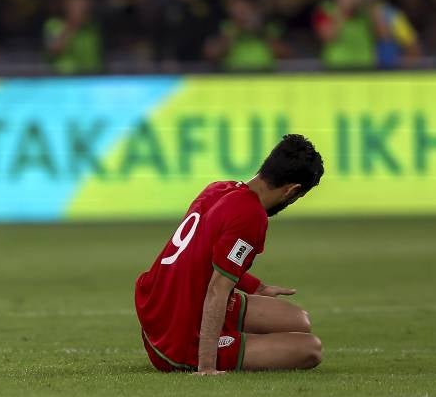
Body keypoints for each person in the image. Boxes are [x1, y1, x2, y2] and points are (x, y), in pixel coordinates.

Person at [135, 134, 324, 375]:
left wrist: (257, 287)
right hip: (178, 337)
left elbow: (203, 252)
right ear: (292, 191)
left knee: (300, 320)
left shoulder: (219, 189)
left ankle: (231, 336)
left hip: (165, 307)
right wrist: (206, 366)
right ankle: (220, 343)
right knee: (310, 349)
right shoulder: (251, 215)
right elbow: (217, 289)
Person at [204, 0, 287, 72]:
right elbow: (211, 55)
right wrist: (233, 33)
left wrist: (261, 31)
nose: (241, 10)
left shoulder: (270, 27)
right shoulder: (224, 27)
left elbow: (285, 55)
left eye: (245, 5)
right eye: (235, 6)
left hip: (266, 76)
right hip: (232, 77)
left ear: (254, 6)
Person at [43, 0, 103, 74]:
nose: (80, 8)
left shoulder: (93, 26)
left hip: (91, 76)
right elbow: (53, 51)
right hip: (64, 77)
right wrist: (72, 25)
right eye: (75, 5)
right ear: (66, 6)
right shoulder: (53, 24)